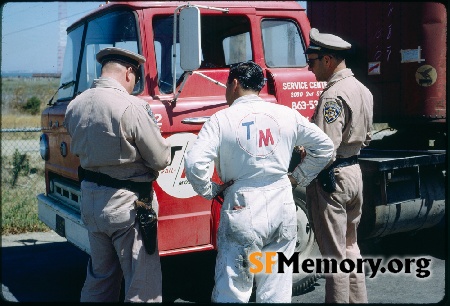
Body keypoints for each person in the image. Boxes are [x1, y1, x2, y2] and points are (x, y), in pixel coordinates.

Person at [184, 61, 334, 303]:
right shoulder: (286, 114)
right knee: (276, 287)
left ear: (233, 84)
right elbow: (325, 147)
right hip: (283, 203)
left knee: (233, 288)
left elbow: (194, 163)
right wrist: (298, 177)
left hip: (243, 205)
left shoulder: (221, 119)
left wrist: (210, 190)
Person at [65, 47, 171, 302]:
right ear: (129, 72)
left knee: (100, 278)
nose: (134, 85)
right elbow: (160, 158)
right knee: (142, 285)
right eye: (135, 79)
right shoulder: (131, 106)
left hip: (91, 201)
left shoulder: (75, 105)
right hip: (127, 206)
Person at [304, 28, 373, 303]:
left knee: (334, 258)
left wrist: (298, 174)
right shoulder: (362, 89)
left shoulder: (332, 95)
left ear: (328, 60)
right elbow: (366, 137)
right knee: (350, 247)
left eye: (313, 62)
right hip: (354, 172)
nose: (310, 69)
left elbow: (324, 151)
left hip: (332, 178)